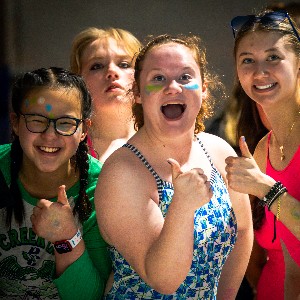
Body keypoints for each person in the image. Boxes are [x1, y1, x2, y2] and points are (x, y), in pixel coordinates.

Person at [94, 34, 253, 299]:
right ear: (137, 94)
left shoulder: (219, 151)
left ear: (203, 89)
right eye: (158, 78)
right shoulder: (122, 171)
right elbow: (163, 280)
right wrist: (182, 205)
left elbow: (243, 231)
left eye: (185, 77)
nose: (173, 88)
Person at [0, 67, 111, 299]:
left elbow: (89, 297)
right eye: (37, 120)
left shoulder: (101, 187)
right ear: (15, 123)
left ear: (84, 130)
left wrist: (67, 236)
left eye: (66, 123)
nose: (50, 135)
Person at [225, 9, 300, 300]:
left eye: (273, 57)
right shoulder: (261, 149)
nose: (260, 72)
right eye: (247, 60)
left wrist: (267, 190)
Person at [70, 27, 142, 163]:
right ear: (78, 82)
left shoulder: (168, 139)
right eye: (97, 66)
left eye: (124, 64)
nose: (111, 71)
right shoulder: (66, 147)